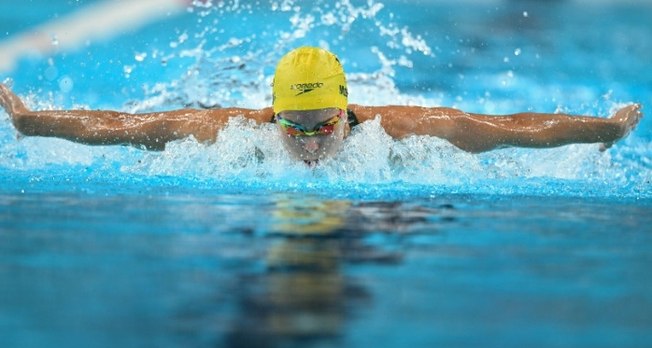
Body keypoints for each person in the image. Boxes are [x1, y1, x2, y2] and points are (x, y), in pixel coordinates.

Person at [0, 46, 642, 165]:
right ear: (270, 114)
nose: (310, 144)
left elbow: (515, 128)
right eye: (294, 126)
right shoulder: (230, 133)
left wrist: (600, 131)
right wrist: (30, 122)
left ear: (348, 112)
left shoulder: (405, 130)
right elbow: (120, 128)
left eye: (324, 125)